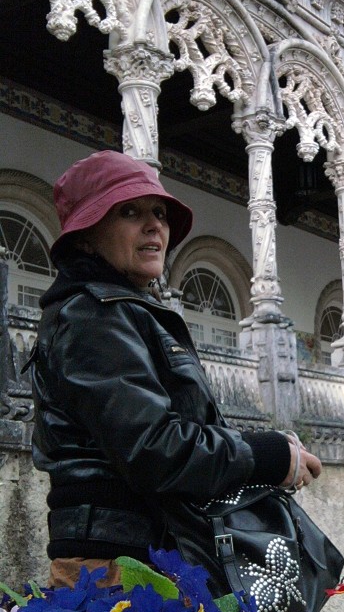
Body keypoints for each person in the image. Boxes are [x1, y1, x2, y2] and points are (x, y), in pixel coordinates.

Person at [28, 149, 322, 589]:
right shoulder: (91, 315)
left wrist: (271, 448)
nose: (155, 226)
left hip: (156, 555)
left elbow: (173, 427)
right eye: (129, 211)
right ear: (87, 236)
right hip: (116, 569)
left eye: (160, 213)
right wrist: (267, 456)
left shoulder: (124, 310)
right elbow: (152, 447)